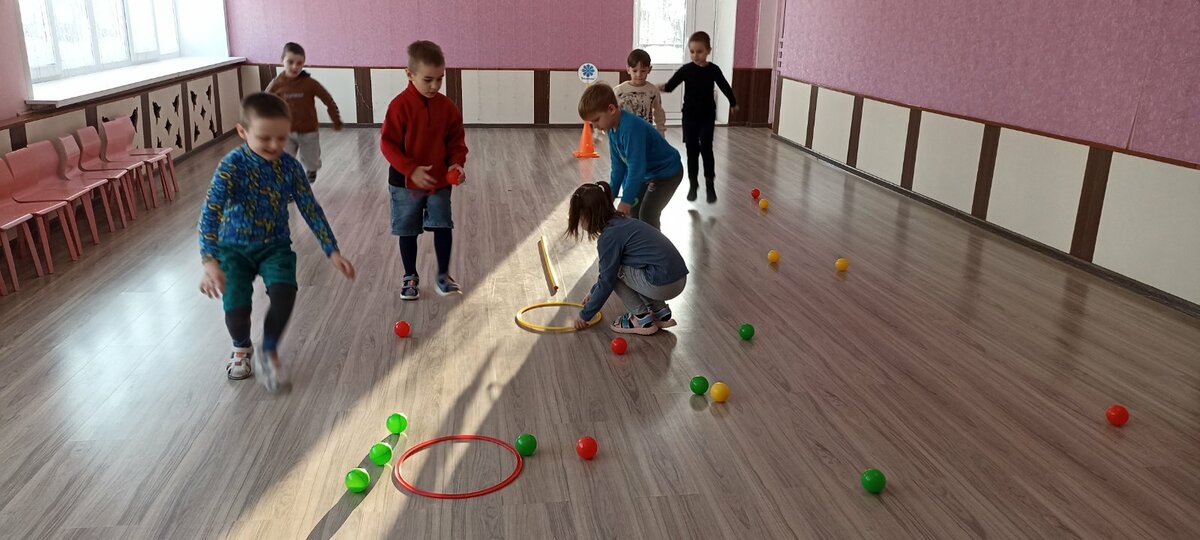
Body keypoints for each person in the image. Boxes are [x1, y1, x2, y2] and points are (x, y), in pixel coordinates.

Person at [198, 92, 355, 392]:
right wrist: (209, 261)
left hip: (275, 247)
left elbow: (310, 209)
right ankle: (241, 347)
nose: (274, 145)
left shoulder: (290, 167)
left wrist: (331, 249)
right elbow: (210, 214)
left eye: (282, 138)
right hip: (233, 250)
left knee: (285, 294)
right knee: (236, 307)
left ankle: (268, 349)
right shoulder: (231, 167)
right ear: (243, 132)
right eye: (264, 138)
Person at [568, 182, 689, 335]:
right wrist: (593, 292)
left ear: (588, 216)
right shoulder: (623, 222)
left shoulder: (609, 237)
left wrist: (585, 315)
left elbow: (607, 280)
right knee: (619, 269)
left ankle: (641, 318)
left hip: (663, 284)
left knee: (614, 273)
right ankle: (660, 312)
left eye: (579, 218)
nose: (580, 223)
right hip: (678, 279)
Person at [577, 83, 683, 230]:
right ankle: (638, 241)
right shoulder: (612, 130)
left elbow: (636, 167)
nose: (595, 126)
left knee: (648, 214)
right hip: (647, 174)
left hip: (667, 173)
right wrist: (610, 197)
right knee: (634, 210)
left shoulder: (631, 128)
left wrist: (626, 200)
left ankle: (653, 244)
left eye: (596, 120)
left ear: (611, 109)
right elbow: (618, 167)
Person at [660, 31, 738, 203]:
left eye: (700, 51)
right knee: (692, 150)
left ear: (708, 51)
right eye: (692, 51)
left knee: (707, 148)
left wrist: (733, 103)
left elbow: (724, 86)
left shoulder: (713, 70)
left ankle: (710, 183)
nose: (695, 55)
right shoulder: (686, 70)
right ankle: (693, 184)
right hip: (689, 116)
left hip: (707, 116)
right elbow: (670, 86)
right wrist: (654, 88)